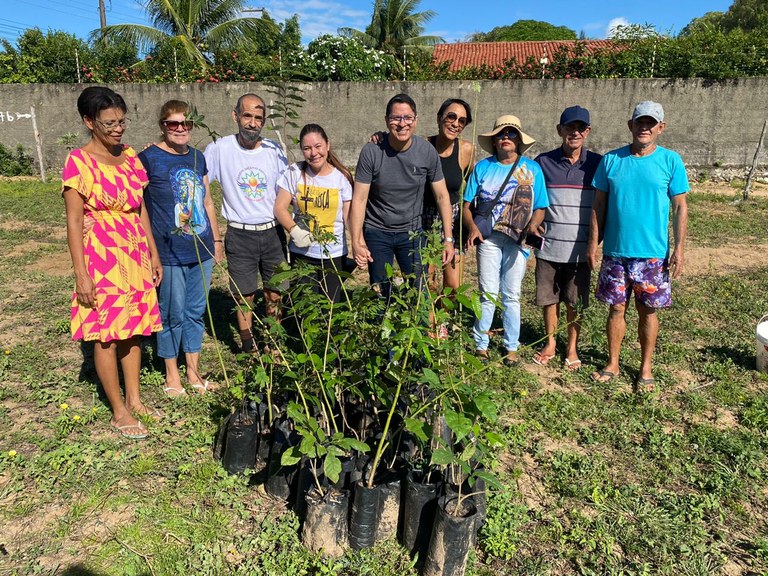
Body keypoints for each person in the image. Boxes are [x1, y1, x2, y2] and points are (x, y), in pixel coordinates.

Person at [62, 86, 163, 440]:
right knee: (106, 334)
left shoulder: (131, 156)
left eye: (122, 121)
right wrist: (81, 274)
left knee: (133, 327)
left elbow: (140, 208)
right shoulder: (78, 161)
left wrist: (152, 251)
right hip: (101, 256)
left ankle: (134, 398)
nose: (118, 129)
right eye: (109, 123)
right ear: (89, 122)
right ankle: (118, 410)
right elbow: (74, 221)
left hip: (134, 251)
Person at [587, 101, 689, 392]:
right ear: (630, 125)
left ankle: (646, 366)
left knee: (648, 311)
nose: (644, 128)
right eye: (639, 122)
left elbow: (680, 207)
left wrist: (679, 248)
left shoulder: (670, 161)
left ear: (661, 127)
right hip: (616, 253)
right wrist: (593, 244)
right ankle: (613, 362)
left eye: (651, 123)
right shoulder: (611, 161)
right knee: (616, 309)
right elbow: (599, 205)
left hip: (652, 256)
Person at [138, 100, 224, 397]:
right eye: (173, 123)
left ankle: (194, 372)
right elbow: (140, 208)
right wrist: (151, 251)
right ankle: (171, 374)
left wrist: (216, 239)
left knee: (196, 311)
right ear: (162, 126)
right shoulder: (147, 158)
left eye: (186, 123)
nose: (180, 129)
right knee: (171, 312)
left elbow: (207, 201)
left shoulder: (198, 158)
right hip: (169, 251)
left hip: (201, 249)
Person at [349, 93, 455, 301]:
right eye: (396, 118)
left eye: (407, 118)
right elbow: (359, 199)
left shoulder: (426, 152)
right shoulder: (371, 152)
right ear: (387, 121)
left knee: (418, 293)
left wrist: (448, 238)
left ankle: (420, 331)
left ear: (415, 120)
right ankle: (379, 331)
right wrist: (356, 240)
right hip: (377, 232)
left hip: (413, 233)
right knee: (380, 293)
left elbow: (443, 196)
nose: (402, 124)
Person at [204, 93, 288, 353]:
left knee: (274, 292)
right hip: (240, 234)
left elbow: (288, 189)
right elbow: (201, 184)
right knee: (245, 295)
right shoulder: (220, 149)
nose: (252, 123)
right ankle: (248, 344)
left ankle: (272, 343)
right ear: (236, 116)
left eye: (258, 118)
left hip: (272, 231)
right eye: (247, 116)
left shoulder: (274, 151)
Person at [463, 115, 549, 365]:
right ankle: (481, 344)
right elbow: (467, 205)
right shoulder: (482, 168)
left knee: (512, 294)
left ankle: (511, 346)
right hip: (489, 239)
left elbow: (541, 206)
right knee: (487, 292)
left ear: (519, 140)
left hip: (518, 241)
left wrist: (533, 225)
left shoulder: (532, 169)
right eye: (501, 134)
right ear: (494, 140)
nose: (506, 138)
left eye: (511, 134)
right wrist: (472, 229)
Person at [532, 106, 602, 371]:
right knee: (548, 298)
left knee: (575, 300)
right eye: (569, 127)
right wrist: (531, 226)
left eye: (580, 128)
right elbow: (533, 199)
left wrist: (595, 242)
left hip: (581, 250)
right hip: (548, 246)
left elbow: (603, 205)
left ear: (587, 131)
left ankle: (571, 347)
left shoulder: (598, 164)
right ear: (559, 130)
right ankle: (550, 342)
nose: (575, 132)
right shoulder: (543, 162)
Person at [273, 124, 354, 303]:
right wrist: (295, 231)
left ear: (327, 145)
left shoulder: (341, 178)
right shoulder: (293, 172)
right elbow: (280, 207)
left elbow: (348, 218)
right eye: (307, 148)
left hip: (333, 255)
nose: (313, 153)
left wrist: (358, 242)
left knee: (330, 304)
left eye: (318, 146)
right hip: (302, 254)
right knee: (305, 305)